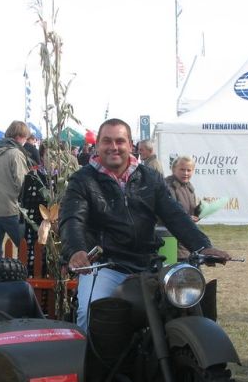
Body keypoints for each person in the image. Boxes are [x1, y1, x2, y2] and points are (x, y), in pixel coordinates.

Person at [60, 118, 229, 332]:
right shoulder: (83, 180)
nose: (114, 147)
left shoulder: (150, 177)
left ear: (131, 145)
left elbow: (175, 215)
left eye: (120, 141)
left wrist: (202, 245)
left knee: (185, 307)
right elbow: (72, 218)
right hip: (104, 266)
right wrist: (76, 250)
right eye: (107, 141)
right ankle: (89, 365)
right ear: (98, 145)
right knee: (91, 313)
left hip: (148, 264)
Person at [0, 120, 31, 253]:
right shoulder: (15, 153)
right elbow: (23, 183)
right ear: (19, 137)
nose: (25, 142)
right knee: (26, 248)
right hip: (11, 209)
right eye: (25, 138)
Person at [165, 156, 203, 261]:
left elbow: (190, 211)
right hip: (172, 242)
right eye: (182, 169)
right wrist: (187, 218)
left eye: (188, 170)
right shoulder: (167, 186)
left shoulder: (189, 186)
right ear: (174, 169)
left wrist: (201, 210)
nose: (185, 173)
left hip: (187, 241)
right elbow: (168, 212)